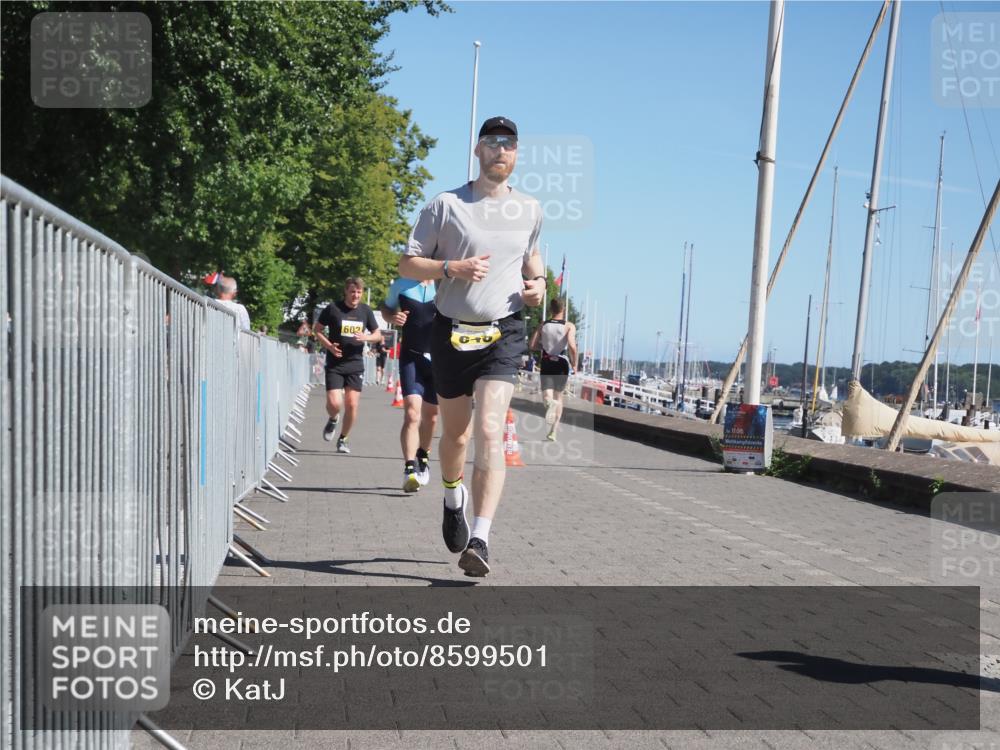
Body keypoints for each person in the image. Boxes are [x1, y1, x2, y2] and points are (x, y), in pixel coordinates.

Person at [400, 116, 545, 577]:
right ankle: (450, 494)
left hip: (503, 331)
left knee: (489, 429)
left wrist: (538, 284)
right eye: (493, 143)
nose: (502, 151)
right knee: (456, 436)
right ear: (478, 151)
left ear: (517, 154)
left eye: (510, 144)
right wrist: (450, 269)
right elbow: (407, 264)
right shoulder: (445, 205)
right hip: (450, 331)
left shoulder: (530, 209)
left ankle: (480, 539)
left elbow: (533, 256)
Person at [381, 278, 438, 492]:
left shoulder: (444, 285)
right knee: (412, 414)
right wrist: (392, 317)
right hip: (411, 357)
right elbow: (386, 308)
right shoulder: (401, 285)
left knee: (432, 417)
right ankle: (409, 468)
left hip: (438, 359)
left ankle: (423, 455)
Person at [314, 277, 383, 454]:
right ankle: (333, 418)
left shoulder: (365, 311)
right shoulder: (333, 309)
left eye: (359, 292)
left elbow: (377, 335)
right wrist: (329, 345)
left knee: (352, 405)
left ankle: (343, 438)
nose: (356, 295)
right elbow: (317, 329)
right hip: (335, 363)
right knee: (335, 403)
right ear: (346, 291)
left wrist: (366, 337)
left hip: (355, 363)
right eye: (353, 291)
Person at [529, 296, 578, 441]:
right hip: (561, 363)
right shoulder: (569, 326)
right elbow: (572, 346)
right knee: (559, 397)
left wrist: (542, 348)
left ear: (551, 309)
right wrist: (575, 363)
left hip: (547, 360)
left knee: (547, 395)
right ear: (563, 309)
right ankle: (553, 431)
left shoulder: (543, 325)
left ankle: (550, 404)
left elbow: (532, 345)